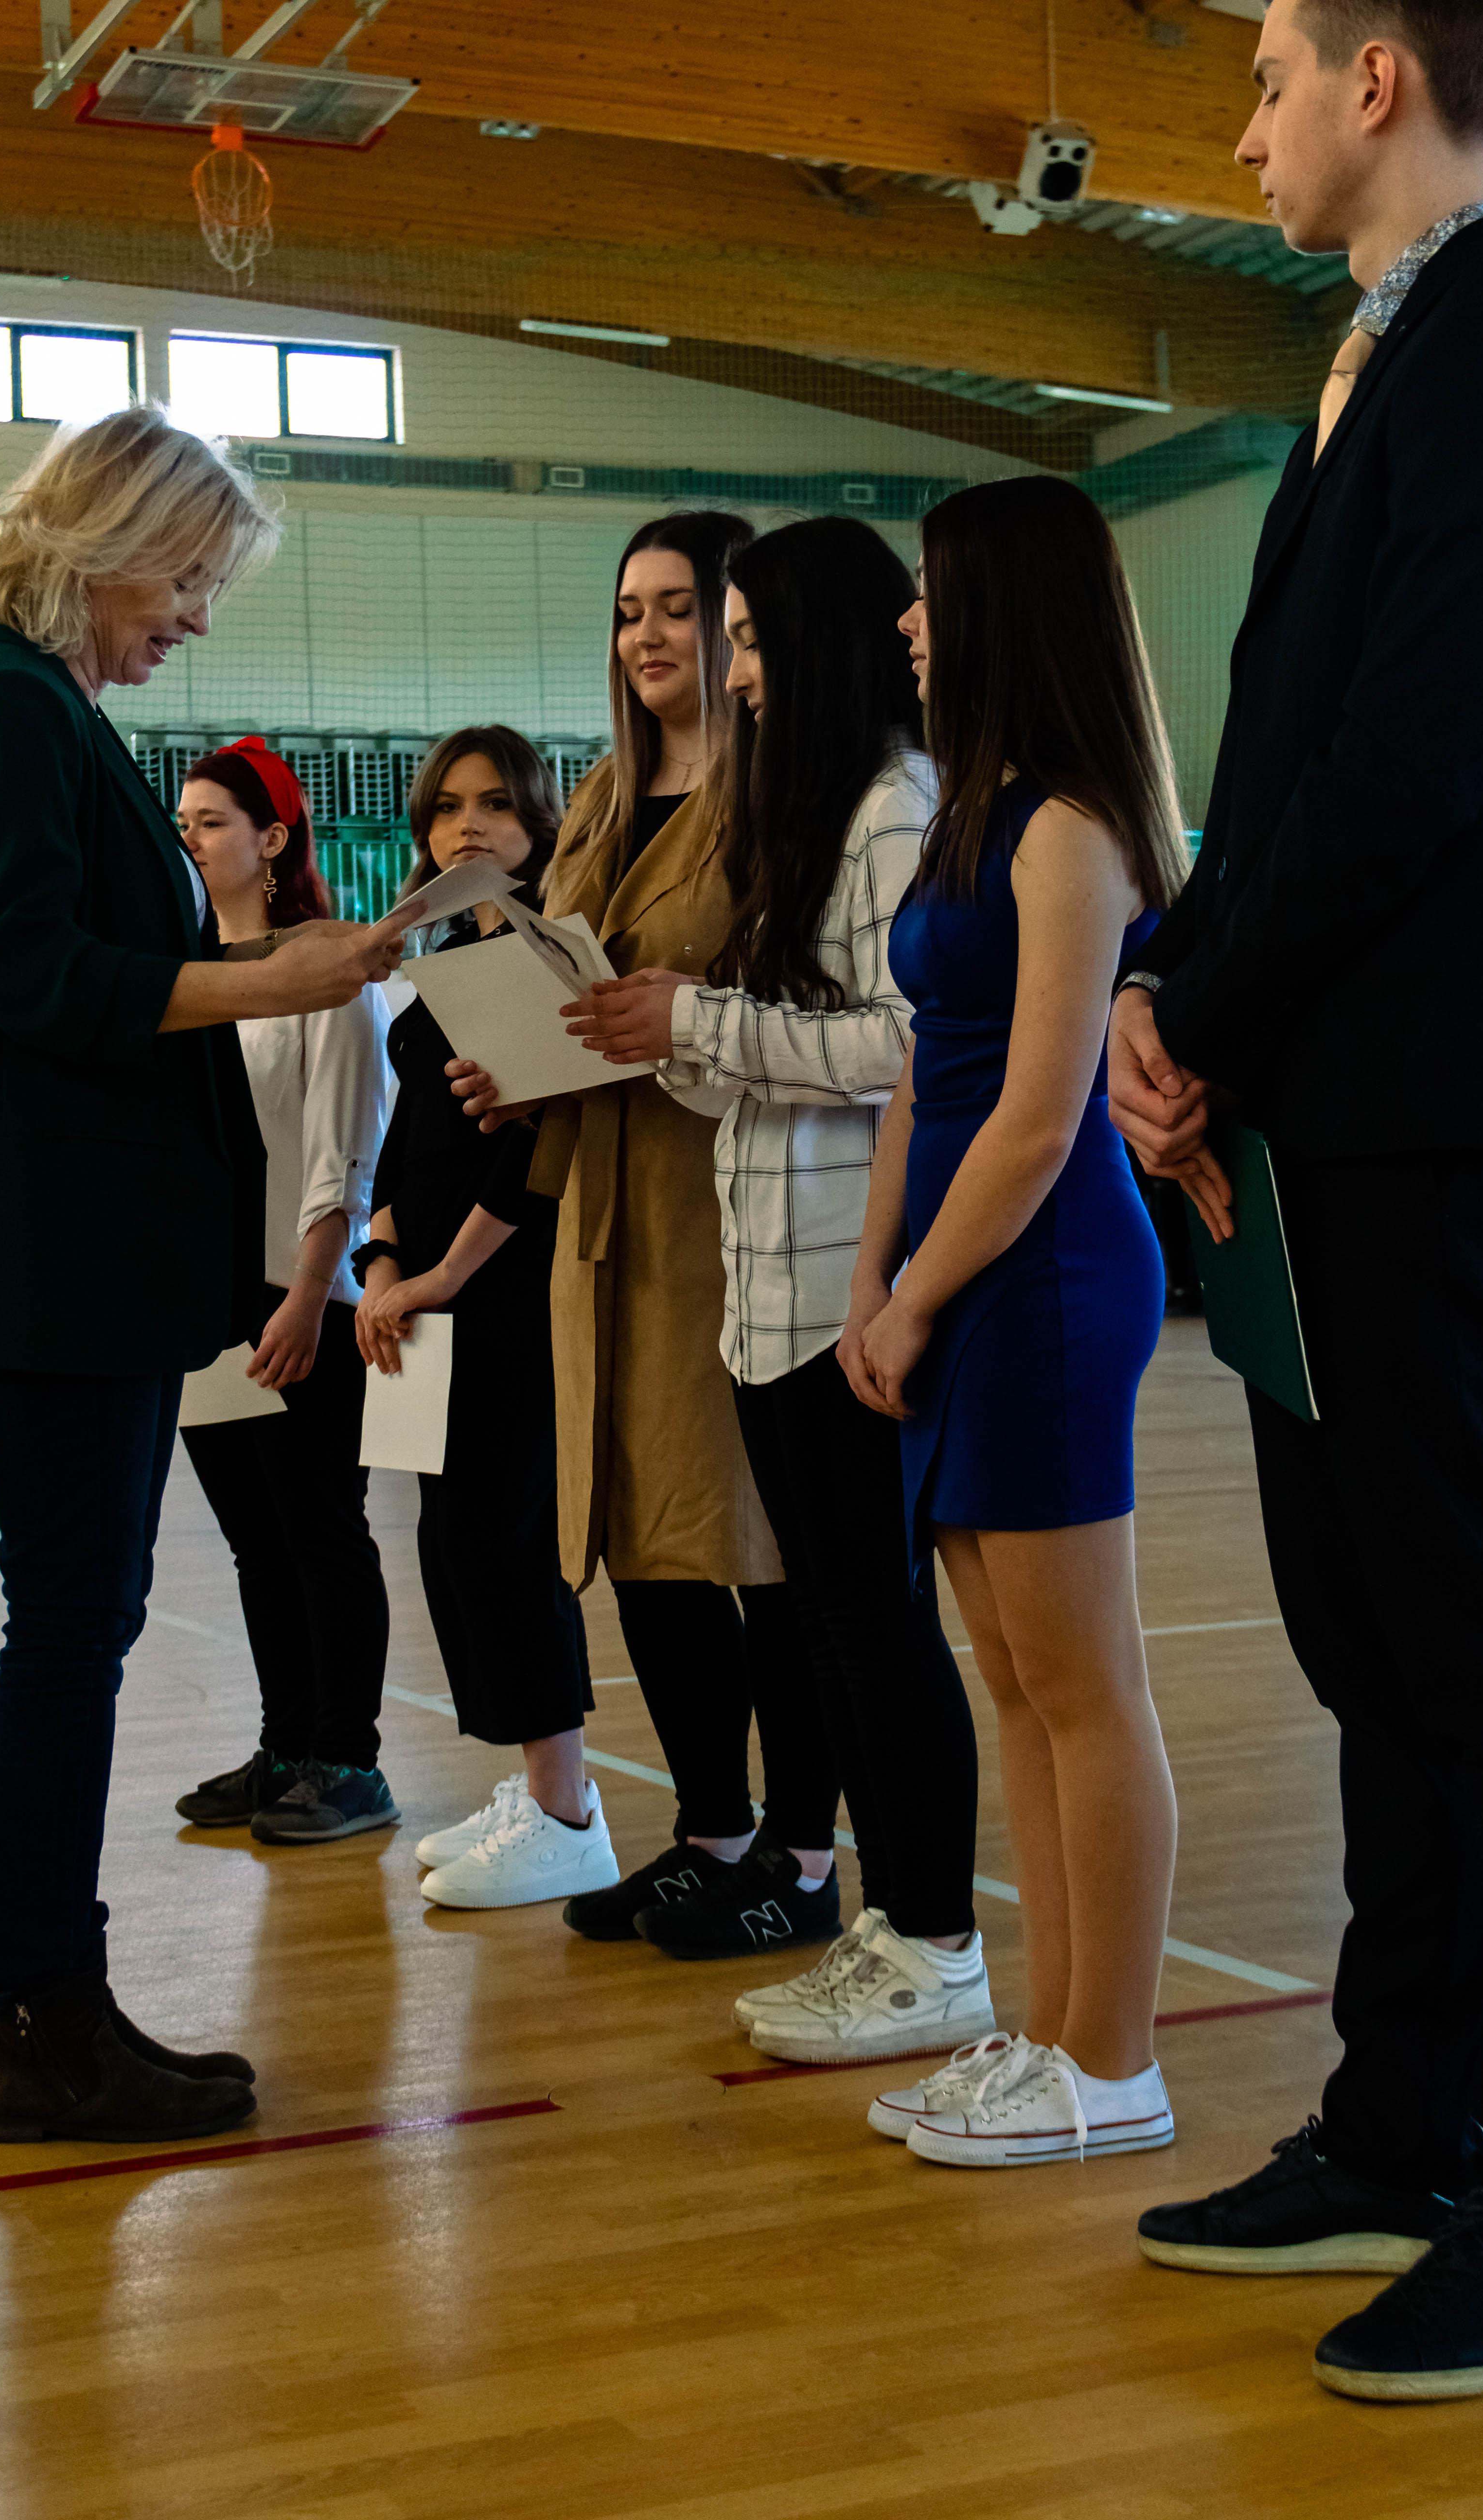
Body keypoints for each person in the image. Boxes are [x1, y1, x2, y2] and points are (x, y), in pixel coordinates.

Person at [1108, 0, 1483, 2404]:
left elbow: (1416, 752)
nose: (1244, 118)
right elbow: (1277, 768)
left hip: (1434, 1113)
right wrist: (1165, 987)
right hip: (1316, 1112)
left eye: (1268, 71)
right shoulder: (1369, 358)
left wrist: (1204, 1006)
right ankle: (1395, 2120)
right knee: (1379, 1646)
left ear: (1378, 80)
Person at [0, 405, 419, 2144]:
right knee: (68, 1628)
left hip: (88, 1258)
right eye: (184, 579)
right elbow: (39, 976)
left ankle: (63, 2005)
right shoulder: (5, 712)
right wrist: (273, 981)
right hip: (63, 1259)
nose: (193, 616)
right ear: (104, 545)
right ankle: (44, 2024)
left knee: (81, 1621)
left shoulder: (41, 712)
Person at [571, 515, 990, 2055]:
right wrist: (656, 1030)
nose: (731, 671)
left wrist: (702, 1024)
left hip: (845, 1292)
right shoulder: (805, 813)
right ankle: (888, 1926)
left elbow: (907, 1046)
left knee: (877, 1632)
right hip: (769, 1294)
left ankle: (933, 1939)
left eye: (745, 638)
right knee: (834, 1632)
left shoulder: (896, 805)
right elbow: (764, 1048)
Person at [840, 477, 1186, 2174]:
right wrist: (874, 1279)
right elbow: (929, 1075)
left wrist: (918, 1296)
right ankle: (1049, 2036)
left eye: (930, 589)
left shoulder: (1070, 829)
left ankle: (1114, 2060)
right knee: (1017, 1684)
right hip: (959, 1272)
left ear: (1002, 608)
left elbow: (1041, 1118)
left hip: (1042, 1279)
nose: (910, 621)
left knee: (1080, 1679)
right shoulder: (974, 818)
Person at [453, 513, 841, 1957]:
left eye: (681, 607)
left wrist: (649, 1027)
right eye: (631, 611)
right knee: (640, 1538)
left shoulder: (788, 796)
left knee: (761, 1543)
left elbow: (796, 1003)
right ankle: (712, 1835)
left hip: (730, 1207)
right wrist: (518, 1065)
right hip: (601, 1218)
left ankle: (804, 1858)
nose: (651, 636)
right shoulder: (609, 793)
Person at [355, 728, 618, 1908]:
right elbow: (412, 1135)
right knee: (454, 1544)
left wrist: (444, 1275)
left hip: (507, 1295)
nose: (470, 825)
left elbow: (535, 1159)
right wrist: (384, 1255)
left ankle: (568, 1813)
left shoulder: (549, 954)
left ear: (540, 826)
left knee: (510, 1545)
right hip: (427, 1293)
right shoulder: (445, 953)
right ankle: (538, 1786)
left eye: (498, 805)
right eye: (450, 806)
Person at [171, 737, 397, 1846]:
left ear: (271, 839)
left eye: (212, 821)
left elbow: (343, 1150)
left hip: (302, 1297)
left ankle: (349, 1761)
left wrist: (311, 1294)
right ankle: (287, 1748)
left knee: (321, 1531)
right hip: (208, 1304)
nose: (191, 840)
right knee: (258, 1544)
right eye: (182, 824)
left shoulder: (328, 970)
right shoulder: (183, 978)